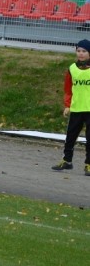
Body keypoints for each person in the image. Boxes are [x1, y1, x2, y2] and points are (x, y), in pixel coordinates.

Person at [51, 39, 90, 176]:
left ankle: (88, 164)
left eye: (84, 51)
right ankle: (67, 161)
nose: (81, 54)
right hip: (76, 108)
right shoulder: (72, 69)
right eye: (78, 51)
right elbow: (68, 89)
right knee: (71, 137)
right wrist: (67, 105)